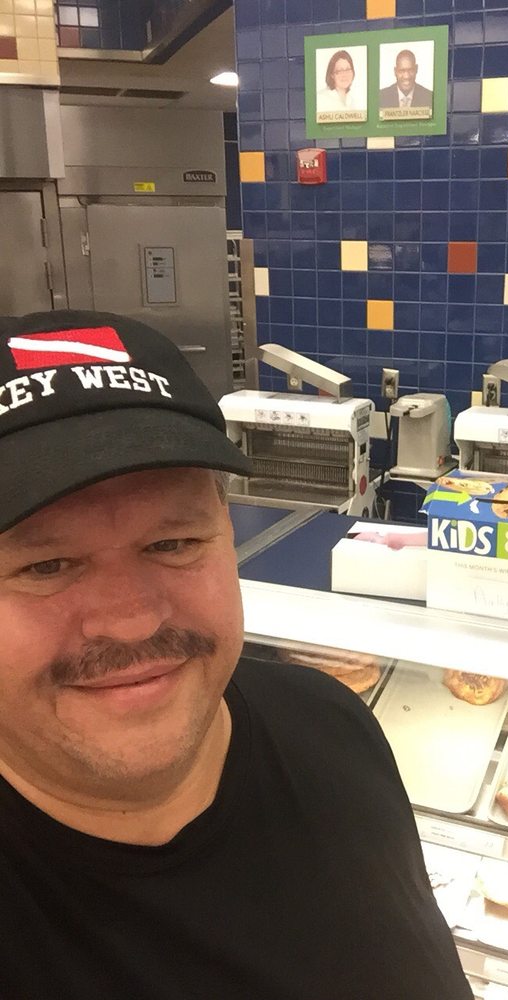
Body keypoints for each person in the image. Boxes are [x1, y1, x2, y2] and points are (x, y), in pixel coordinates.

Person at [0, 310, 472, 1000]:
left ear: (226, 530)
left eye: (172, 543)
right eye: (46, 565)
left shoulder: (333, 728)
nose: (132, 621)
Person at [316, 49, 365, 117]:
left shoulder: (353, 101)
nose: (344, 75)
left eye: (347, 69)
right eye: (339, 71)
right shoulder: (320, 98)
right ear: (332, 75)